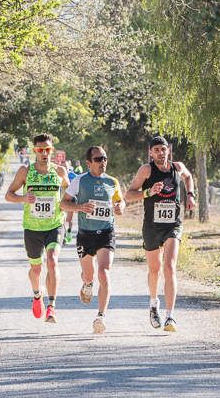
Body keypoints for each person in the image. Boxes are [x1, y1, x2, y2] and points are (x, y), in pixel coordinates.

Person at [125, 135, 195, 332]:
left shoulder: (178, 167)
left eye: (163, 149)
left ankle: (170, 316)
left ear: (168, 150)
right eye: (156, 150)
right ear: (150, 153)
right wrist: (148, 192)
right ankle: (154, 303)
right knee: (154, 269)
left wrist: (190, 195)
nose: (160, 153)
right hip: (152, 226)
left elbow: (188, 177)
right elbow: (129, 195)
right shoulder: (146, 170)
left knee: (170, 267)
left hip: (173, 224)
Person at [5, 133, 69, 323]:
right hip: (32, 227)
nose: (44, 153)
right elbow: (9, 195)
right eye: (40, 150)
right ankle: (36, 295)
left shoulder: (59, 172)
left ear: (52, 151)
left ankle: (51, 307)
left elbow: (70, 192)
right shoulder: (26, 172)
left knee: (52, 261)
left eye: (47, 149)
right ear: (35, 151)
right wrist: (23, 198)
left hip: (55, 225)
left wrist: (70, 204)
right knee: (36, 269)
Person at [61, 146, 124, 334]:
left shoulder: (112, 182)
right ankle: (87, 284)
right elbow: (63, 203)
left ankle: (101, 316)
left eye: (104, 158)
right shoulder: (80, 181)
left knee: (104, 273)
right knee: (89, 275)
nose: (102, 162)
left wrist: (120, 206)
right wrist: (80, 208)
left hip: (106, 233)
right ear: (89, 163)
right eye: (98, 159)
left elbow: (120, 202)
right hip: (86, 235)